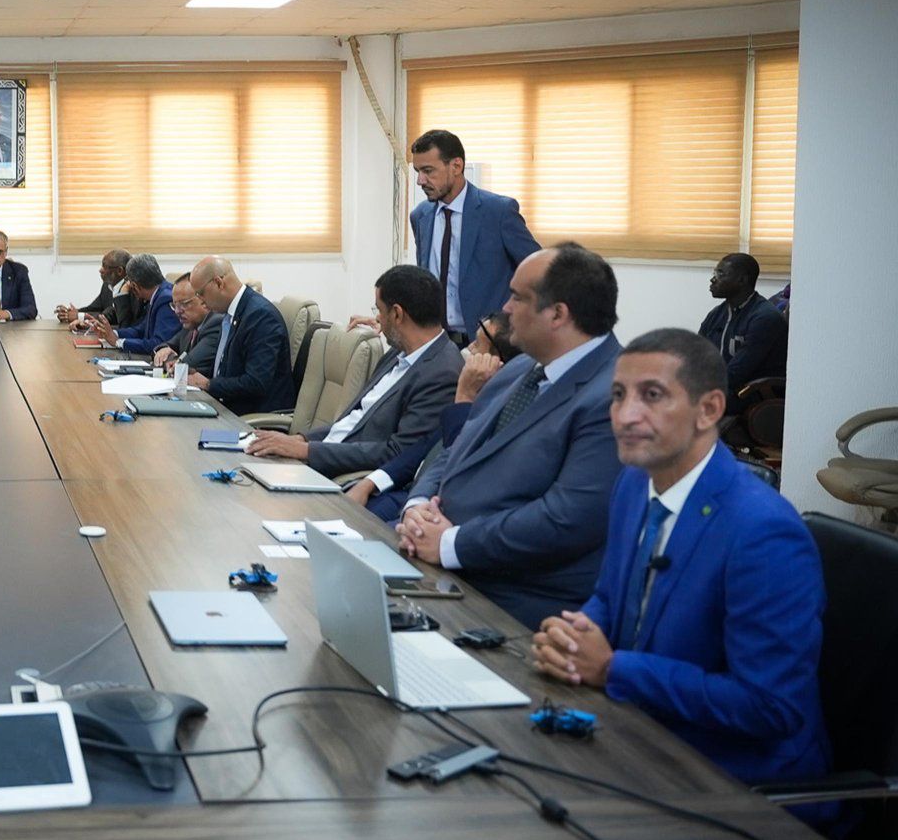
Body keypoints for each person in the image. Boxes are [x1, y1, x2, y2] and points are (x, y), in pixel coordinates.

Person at [532, 329, 830, 814]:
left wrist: (611, 668)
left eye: (652, 396)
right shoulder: (635, 482)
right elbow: (610, 596)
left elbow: (769, 706)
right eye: (618, 395)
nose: (625, 416)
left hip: (737, 786)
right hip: (641, 734)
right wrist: (577, 633)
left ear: (708, 410)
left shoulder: (764, 532)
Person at [398, 243, 624, 629]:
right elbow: (457, 449)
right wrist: (417, 507)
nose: (505, 307)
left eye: (518, 297)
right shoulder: (520, 369)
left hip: (516, 596)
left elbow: (566, 519)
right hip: (441, 559)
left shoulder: (614, 397)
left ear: (558, 314)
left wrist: (451, 544)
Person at [245, 266, 464, 482]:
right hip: (318, 457)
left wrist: (306, 450)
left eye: (379, 311)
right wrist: (300, 440)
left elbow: (398, 453)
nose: (378, 320)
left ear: (397, 314)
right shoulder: (400, 352)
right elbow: (355, 421)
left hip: (341, 476)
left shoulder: (441, 372)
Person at [347, 312, 518, 522]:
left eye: (477, 345)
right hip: (403, 494)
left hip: (433, 512)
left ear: (498, 362)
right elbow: (423, 447)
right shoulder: (473, 396)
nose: (469, 348)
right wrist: (369, 484)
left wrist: (464, 396)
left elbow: (455, 460)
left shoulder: (500, 411)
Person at [408, 128, 540, 344]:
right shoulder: (420, 216)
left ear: (456, 166)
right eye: (417, 171)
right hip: (439, 343)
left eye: (428, 171)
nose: (420, 180)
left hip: (492, 343)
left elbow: (539, 272)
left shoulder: (498, 212)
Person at [185, 256, 293, 414]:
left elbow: (256, 383)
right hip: (228, 407)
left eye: (200, 293)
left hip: (252, 416)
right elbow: (227, 369)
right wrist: (194, 374)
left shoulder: (260, 316)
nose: (200, 301)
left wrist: (208, 384)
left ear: (219, 283)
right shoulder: (230, 313)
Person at [698, 252, 788, 392]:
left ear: (742, 280)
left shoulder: (765, 318)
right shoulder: (717, 314)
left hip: (752, 393)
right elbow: (695, 353)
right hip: (723, 387)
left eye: (721, 274)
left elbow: (737, 372)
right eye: (715, 273)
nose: (713, 279)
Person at [87, 253, 177, 355]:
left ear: (135, 286)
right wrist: (112, 333)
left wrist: (118, 342)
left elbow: (159, 344)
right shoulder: (158, 294)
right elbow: (140, 330)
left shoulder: (165, 299)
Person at [152, 272, 222, 373]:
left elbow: (188, 364)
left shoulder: (215, 323)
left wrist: (173, 361)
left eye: (184, 304)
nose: (177, 311)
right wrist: (164, 351)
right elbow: (165, 346)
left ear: (204, 300)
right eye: (174, 305)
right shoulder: (190, 326)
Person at [56, 249, 142, 329]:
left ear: (119, 271)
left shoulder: (134, 291)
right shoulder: (107, 287)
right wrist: (76, 313)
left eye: (105, 266)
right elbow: (96, 309)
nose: (100, 270)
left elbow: (125, 325)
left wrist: (81, 317)